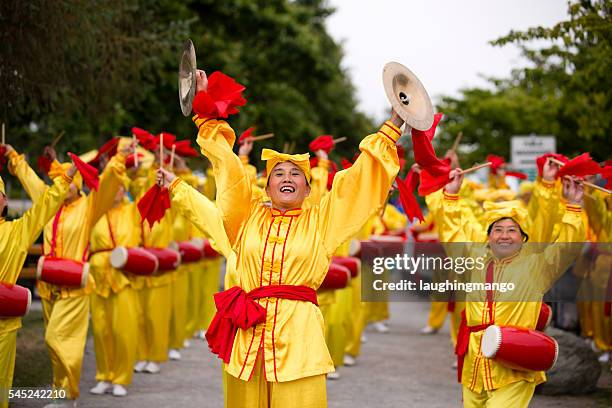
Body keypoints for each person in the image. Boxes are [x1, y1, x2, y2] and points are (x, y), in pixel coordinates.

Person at [155, 68, 402, 408]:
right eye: (278, 174)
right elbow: (227, 173)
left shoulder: (322, 221)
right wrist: (206, 117)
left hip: (299, 336)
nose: (287, 179)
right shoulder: (247, 216)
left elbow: (356, 183)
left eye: (295, 175)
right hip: (246, 334)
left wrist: (392, 127)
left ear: (308, 186)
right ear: (266, 186)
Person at [442, 166, 585, 408]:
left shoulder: (537, 267)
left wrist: (573, 208)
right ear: (488, 237)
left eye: (512, 230)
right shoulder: (474, 261)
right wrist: (451, 198)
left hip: (515, 361)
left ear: (523, 237)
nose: (504, 236)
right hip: (475, 361)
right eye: (497, 230)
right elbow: (454, 234)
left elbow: (568, 247)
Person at [8, 143, 129, 407]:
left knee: (58, 338)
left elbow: (107, 185)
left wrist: (119, 159)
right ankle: (59, 393)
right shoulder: (52, 201)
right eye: (63, 179)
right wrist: (14, 158)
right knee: (54, 344)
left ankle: (69, 393)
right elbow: (30, 181)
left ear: (79, 184)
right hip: (49, 284)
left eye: (71, 179)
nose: (66, 184)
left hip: (75, 285)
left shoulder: (89, 207)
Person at [0, 146, 75, 408]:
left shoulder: (17, 231)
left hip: (3, 324)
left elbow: (45, 205)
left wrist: (66, 178)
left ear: (4, 202)